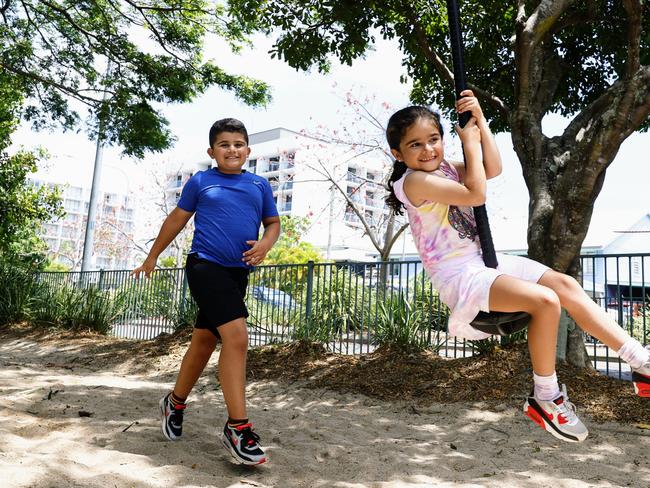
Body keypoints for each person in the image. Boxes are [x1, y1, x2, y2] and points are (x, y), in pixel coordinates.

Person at [384, 91, 650, 443]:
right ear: (398, 154)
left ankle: (640, 363)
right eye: (415, 144)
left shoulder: (445, 168)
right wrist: (470, 144)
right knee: (545, 301)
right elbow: (476, 194)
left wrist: (479, 120)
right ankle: (546, 397)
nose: (428, 149)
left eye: (434, 139)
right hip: (459, 275)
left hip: (484, 260)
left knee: (564, 285)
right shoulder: (412, 181)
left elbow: (492, 169)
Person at [132, 118, 281, 464]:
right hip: (204, 266)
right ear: (212, 152)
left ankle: (174, 402)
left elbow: (273, 224)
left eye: (239, 144)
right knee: (238, 338)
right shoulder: (201, 181)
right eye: (224, 145)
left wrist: (265, 245)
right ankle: (237, 428)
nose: (232, 150)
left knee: (203, 342)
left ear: (248, 150)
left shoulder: (259, 185)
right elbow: (176, 219)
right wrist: (153, 256)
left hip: (237, 274)